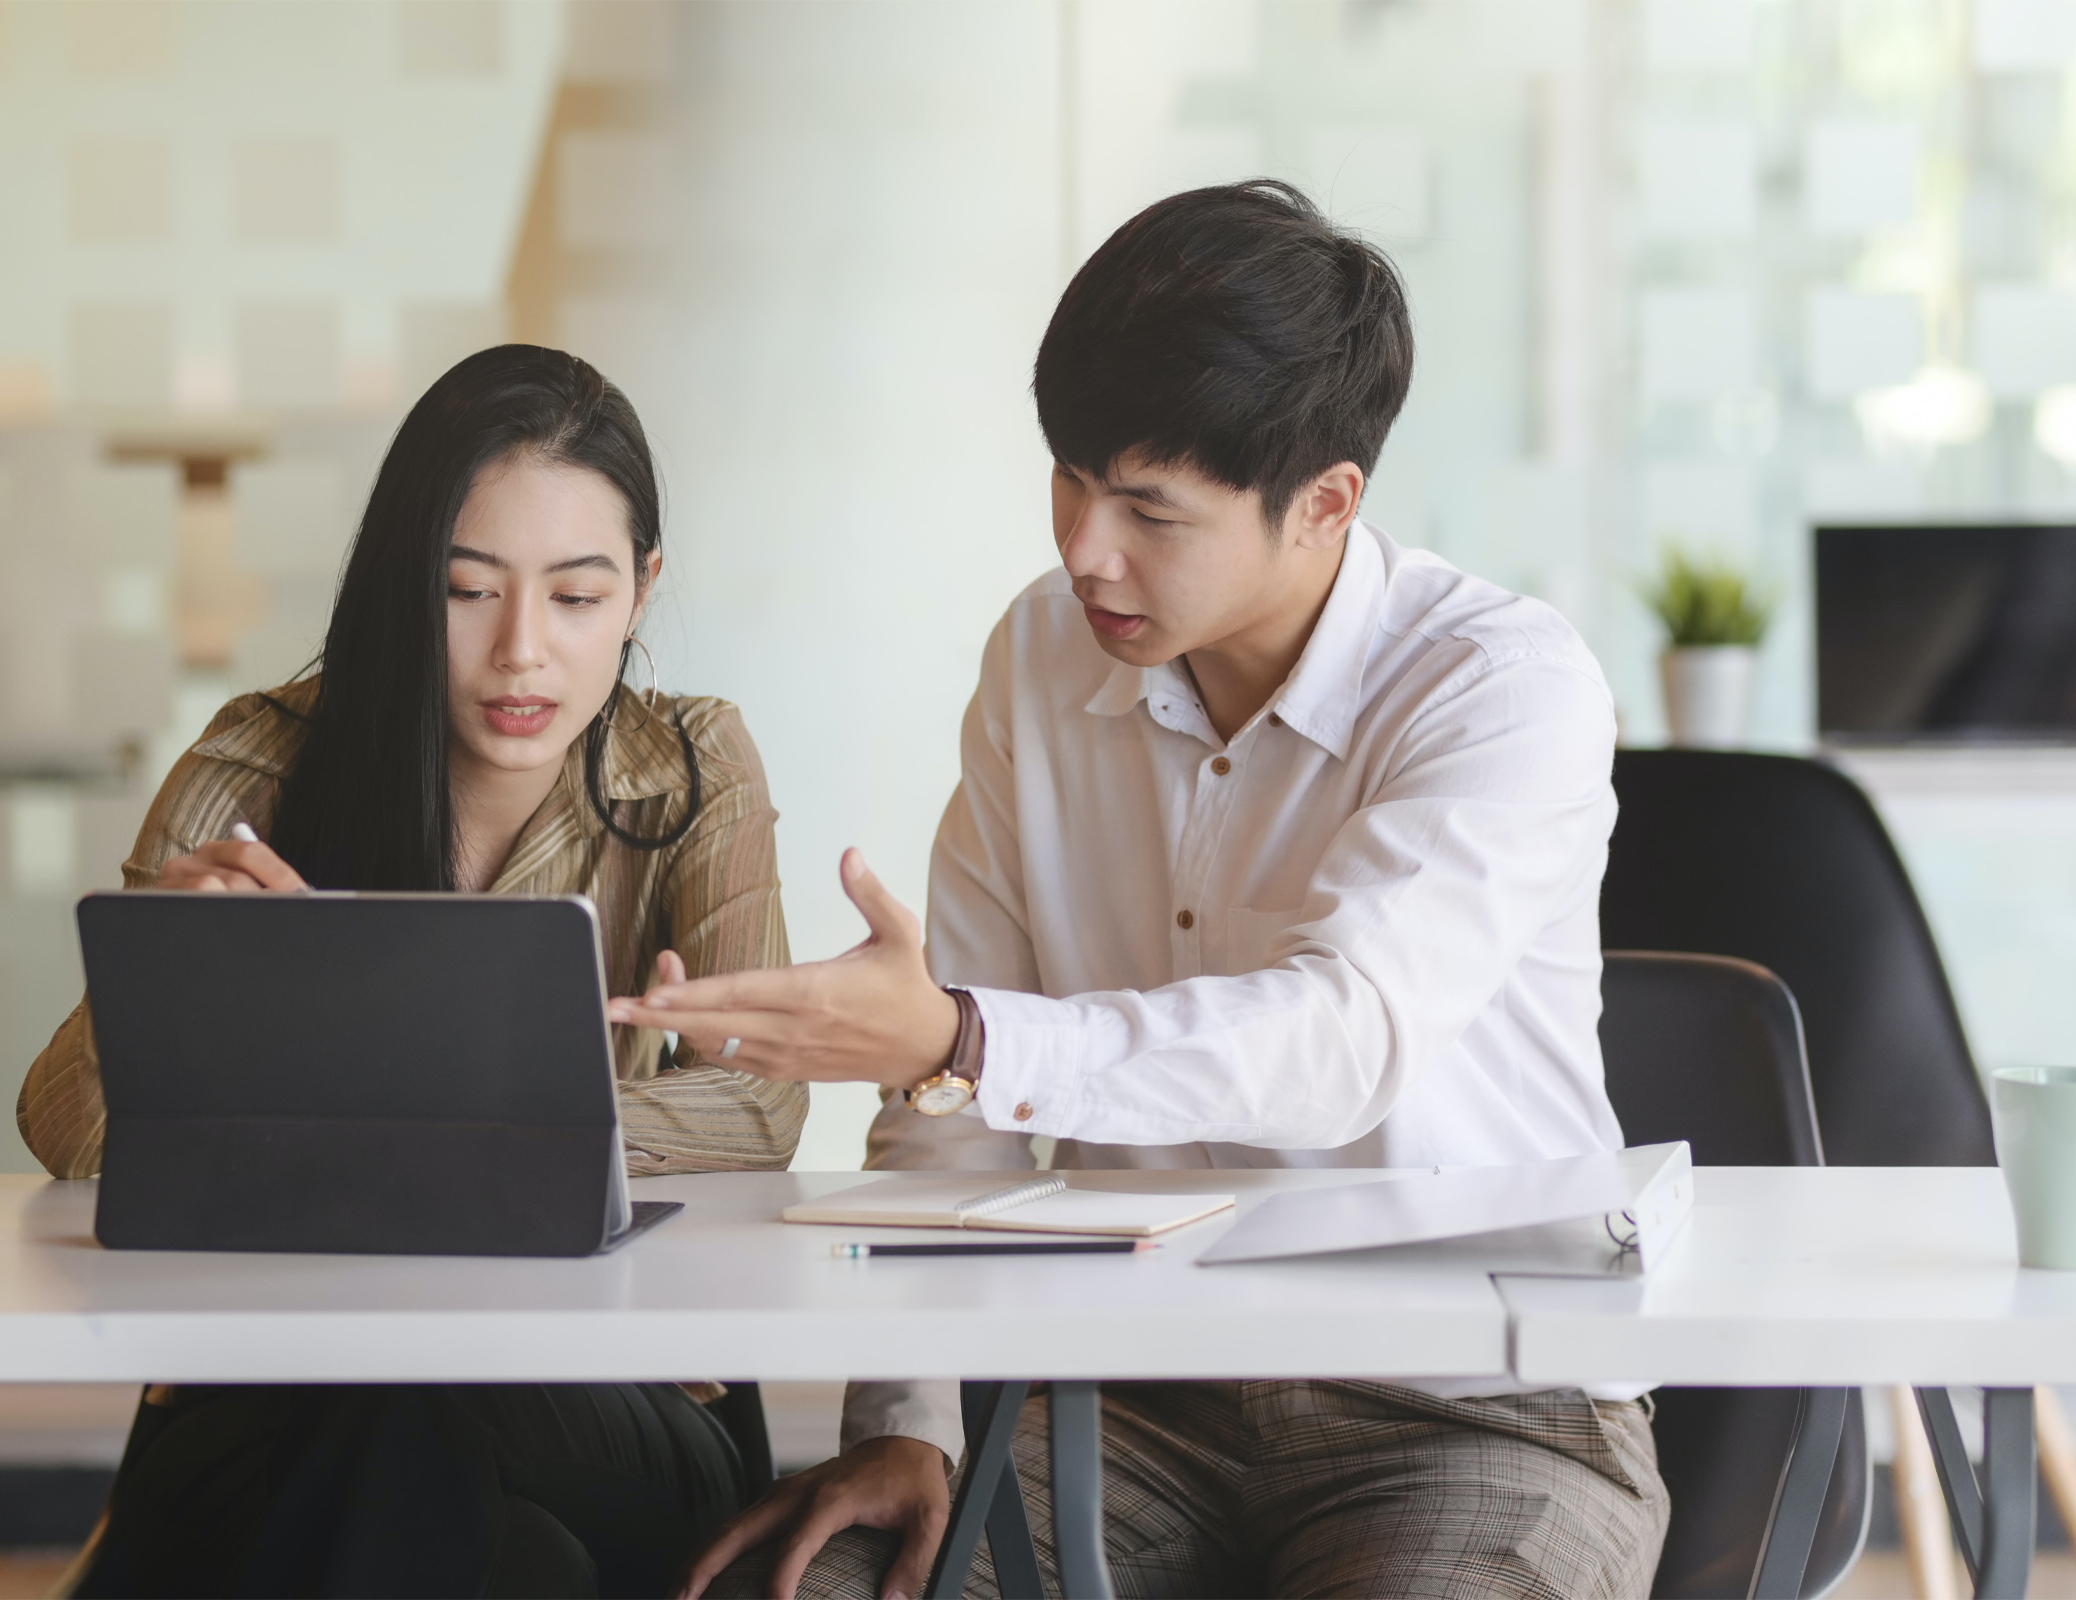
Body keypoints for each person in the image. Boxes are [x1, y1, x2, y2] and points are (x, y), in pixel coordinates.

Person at [618, 183, 1669, 1600]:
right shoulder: (1045, 659)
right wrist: (911, 1424)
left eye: (1148, 510)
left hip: (1476, 1398)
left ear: (1324, 506)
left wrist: (964, 1038)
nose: (1082, 547)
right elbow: (954, 1127)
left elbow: (1338, 1042)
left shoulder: (1500, 688)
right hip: (1132, 1402)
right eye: (1069, 477)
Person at [17, 345, 805, 1598]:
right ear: (402, 583)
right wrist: (169, 974)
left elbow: (761, 1106)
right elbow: (68, 1131)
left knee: (401, 1382)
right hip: (284, 1394)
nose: (521, 654)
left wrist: (356, 1131)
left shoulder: (695, 766)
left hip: (608, 1398)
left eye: (577, 597)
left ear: (645, 587)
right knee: (508, 1555)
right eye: (465, 588)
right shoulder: (260, 765)